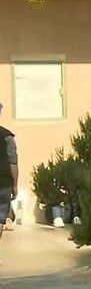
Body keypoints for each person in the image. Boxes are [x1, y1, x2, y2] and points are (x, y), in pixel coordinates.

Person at [0, 102, 18, 253]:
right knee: (0, 219)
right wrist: (15, 185)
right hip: (3, 183)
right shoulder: (7, 136)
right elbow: (13, 163)